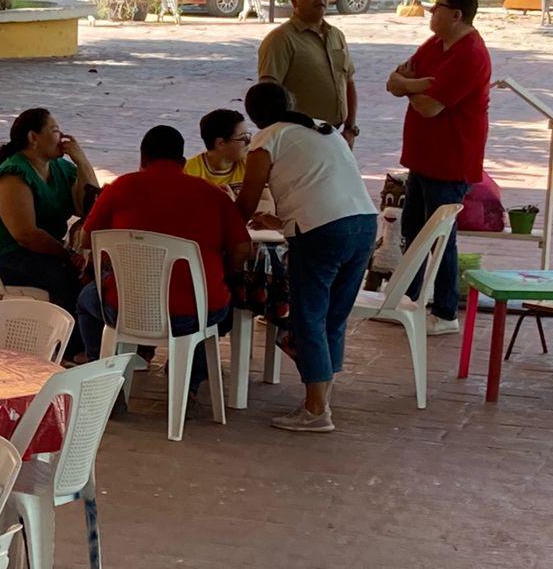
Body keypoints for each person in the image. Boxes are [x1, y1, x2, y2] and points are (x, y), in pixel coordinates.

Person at [238, 83, 377, 434]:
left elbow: (247, 201)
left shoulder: (266, 139)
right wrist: (281, 220)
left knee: (308, 317)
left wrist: (222, 225)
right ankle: (321, 399)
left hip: (321, 231)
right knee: (333, 316)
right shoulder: (322, 128)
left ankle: (316, 410)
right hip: (363, 223)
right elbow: (318, 183)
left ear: (254, 116)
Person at [75, 125, 251, 397]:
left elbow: (87, 240)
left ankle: (105, 388)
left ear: (142, 159)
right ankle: (189, 384)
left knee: (87, 299)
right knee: (224, 304)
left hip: (124, 309)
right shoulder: (214, 194)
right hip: (195, 314)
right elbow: (242, 247)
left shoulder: (120, 187)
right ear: (183, 163)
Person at [387, 0, 492, 336]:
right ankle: (406, 299)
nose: (431, 13)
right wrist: (415, 82)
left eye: (438, 8)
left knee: (440, 238)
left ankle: (445, 311)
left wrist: (410, 85)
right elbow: (393, 80)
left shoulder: (470, 54)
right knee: (413, 231)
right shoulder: (435, 44)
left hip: (450, 161)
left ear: (456, 14)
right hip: (422, 157)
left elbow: (430, 107)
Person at [0, 108, 100, 351]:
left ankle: (78, 345)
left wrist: (82, 161)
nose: (61, 136)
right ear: (33, 138)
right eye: (54, 131)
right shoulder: (14, 173)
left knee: (89, 273)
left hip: (41, 250)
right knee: (66, 276)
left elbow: (90, 205)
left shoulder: (59, 169)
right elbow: (25, 235)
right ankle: (70, 349)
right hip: (3, 255)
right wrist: (67, 254)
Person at [258, 0, 360, 147]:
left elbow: (348, 82)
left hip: (336, 136)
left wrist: (350, 129)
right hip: (299, 138)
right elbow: (268, 97)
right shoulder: (281, 39)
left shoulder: (336, 35)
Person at [183, 108, 252, 197]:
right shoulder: (188, 171)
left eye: (248, 136)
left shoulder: (251, 165)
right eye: (243, 137)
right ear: (220, 143)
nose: (249, 141)